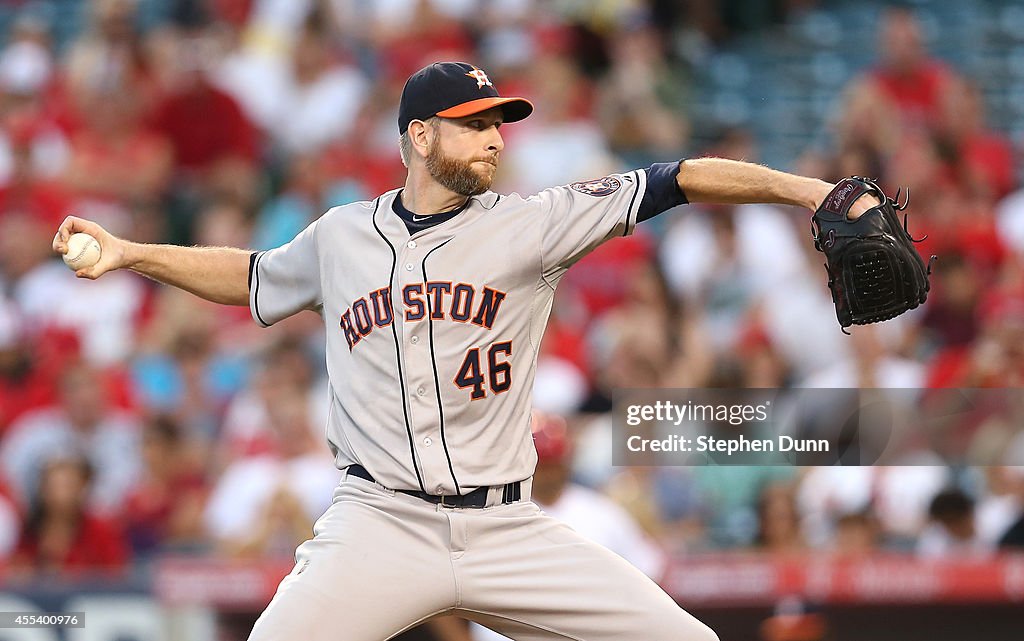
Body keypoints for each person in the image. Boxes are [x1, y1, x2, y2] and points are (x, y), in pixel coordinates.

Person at [54, 61, 878, 641]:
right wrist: (132, 251)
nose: (494, 138)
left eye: (499, 124)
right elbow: (254, 274)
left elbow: (679, 177)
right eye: (474, 124)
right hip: (379, 521)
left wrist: (809, 190)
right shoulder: (342, 234)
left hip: (508, 526)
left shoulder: (534, 220)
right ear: (418, 136)